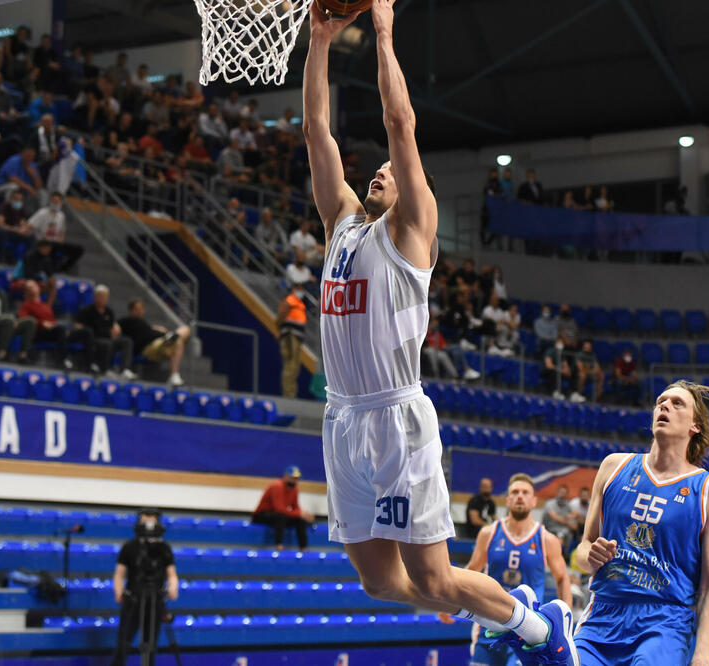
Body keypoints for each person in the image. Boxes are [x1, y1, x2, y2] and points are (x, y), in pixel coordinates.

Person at [303, 2, 575, 662]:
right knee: (378, 583)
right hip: (341, 418)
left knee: (431, 576)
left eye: (392, 172)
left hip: (397, 416)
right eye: (378, 168)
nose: (381, 171)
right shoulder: (342, 223)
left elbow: (400, 121)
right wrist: (317, 42)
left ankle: (539, 628)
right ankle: (520, 616)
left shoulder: (411, 230)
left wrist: (385, 31)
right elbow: (316, 130)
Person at [573, 381, 709, 666]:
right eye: (661, 401)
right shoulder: (613, 467)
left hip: (665, 621)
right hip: (602, 614)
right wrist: (590, 556)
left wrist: (703, 656)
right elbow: (583, 550)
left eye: (677, 403)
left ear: (694, 425)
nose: (665, 405)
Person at [447, 473, 573, 666]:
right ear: (507, 500)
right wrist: (448, 598)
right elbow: (472, 571)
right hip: (490, 624)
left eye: (525, 492)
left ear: (534, 501)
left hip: (527, 630)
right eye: (515, 492)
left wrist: (566, 624)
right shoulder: (488, 533)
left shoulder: (546, 538)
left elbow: (563, 578)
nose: (520, 496)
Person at [111, 509, 178, 666]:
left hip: (155, 603)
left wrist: (173, 587)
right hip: (133, 600)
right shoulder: (129, 547)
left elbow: (171, 573)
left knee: (150, 647)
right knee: (123, 645)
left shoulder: (164, 548)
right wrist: (118, 591)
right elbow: (119, 573)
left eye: (151, 521)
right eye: (144, 521)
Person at [117, 299, 191, 387]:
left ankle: (171, 338)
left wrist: (156, 329)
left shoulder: (144, 324)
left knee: (185, 330)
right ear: (131, 310)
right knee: (178, 341)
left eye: (141, 309)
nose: (140, 311)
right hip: (148, 348)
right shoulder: (126, 321)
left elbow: (148, 331)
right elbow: (115, 328)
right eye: (137, 309)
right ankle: (171, 338)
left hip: (159, 342)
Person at [17, 280, 89, 369]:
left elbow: (53, 321)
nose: (33, 289)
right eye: (29, 288)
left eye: (34, 286)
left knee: (86, 332)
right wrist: (42, 323)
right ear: (26, 291)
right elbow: (24, 320)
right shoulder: (25, 305)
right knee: (60, 330)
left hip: (53, 331)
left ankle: (90, 364)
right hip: (39, 333)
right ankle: (63, 360)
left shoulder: (45, 305)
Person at [75, 285, 135, 379]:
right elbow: (78, 326)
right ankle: (105, 369)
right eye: (101, 296)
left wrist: (115, 331)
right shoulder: (87, 310)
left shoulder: (109, 312)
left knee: (127, 341)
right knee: (107, 344)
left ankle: (125, 370)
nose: (104, 299)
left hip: (108, 338)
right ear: (95, 297)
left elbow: (113, 327)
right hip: (95, 339)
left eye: (105, 296)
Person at [252, 466, 315, 551]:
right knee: (280, 517)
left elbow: (295, 507)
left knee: (301, 521)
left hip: (278, 516)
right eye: (292, 478)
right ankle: (279, 545)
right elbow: (279, 508)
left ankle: (303, 547)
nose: (294, 480)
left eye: (296, 478)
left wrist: (304, 515)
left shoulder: (294, 490)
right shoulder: (277, 486)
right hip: (261, 515)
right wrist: (299, 513)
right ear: (285, 476)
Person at [28, 192, 83, 272]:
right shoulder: (42, 212)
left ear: (61, 202)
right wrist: (37, 238)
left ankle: (63, 269)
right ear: (50, 201)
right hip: (43, 240)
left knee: (78, 249)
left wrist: (61, 241)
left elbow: (61, 232)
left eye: (57, 201)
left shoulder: (61, 216)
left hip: (55, 242)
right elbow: (30, 226)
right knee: (49, 248)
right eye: (53, 201)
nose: (55, 203)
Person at [276, 282, 307, 398]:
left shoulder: (300, 304)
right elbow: (280, 316)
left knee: (295, 366)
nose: (300, 291)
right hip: (289, 336)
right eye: (298, 288)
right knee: (289, 365)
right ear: (293, 289)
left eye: (302, 289)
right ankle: (288, 393)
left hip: (297, 337)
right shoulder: (289, 301)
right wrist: (281, 331)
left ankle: (291, 392)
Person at [541, 485, 579, 555]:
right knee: (560, 536)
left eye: (564, 493)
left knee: (571, 533)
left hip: (563, 529)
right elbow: (555, 517)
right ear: (557, 493)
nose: (562, 495)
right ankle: (555, 556)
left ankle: (566, 556)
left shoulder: (566, 504)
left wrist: (571, 516)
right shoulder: (550, 503)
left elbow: (576, 514)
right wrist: (568, 523)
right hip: (549, 529)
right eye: (561, 492)